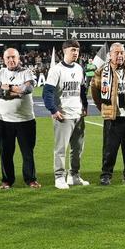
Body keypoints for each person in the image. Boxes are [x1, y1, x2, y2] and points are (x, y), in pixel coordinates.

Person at [90, 42, 125, 185]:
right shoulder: (102, 71)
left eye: (122, 53)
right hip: (113, 116)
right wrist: (103, 107)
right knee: (110, 148)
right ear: (110, 54)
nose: (120, 55)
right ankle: (106, 175)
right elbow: (94, 90)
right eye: (117, 53)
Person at [43, 39, 89, 190]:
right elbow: (47, 92)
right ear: (64, 51)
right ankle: (59, 177)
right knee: (61, 149)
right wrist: (53, 110)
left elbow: (82, 90)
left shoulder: (79, 68)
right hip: (63, 115)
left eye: (77, 50)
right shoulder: (56, 70)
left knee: (77, 149)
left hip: (78, 115)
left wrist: (85, 106)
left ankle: (74, 176)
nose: (76, 53)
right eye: (72, 50)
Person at [0, 47, 40, 189]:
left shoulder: (27, 72)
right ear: (3, 59)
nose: (11, 60)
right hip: (4, 121)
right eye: (8, 57)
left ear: (18, 58)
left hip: (26, 120)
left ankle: (30, 179)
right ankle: (7, 180)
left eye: (13, 57)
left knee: (27, 153)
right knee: (5, 153)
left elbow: (28, 89)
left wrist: (9, 87)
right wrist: (18, 91)